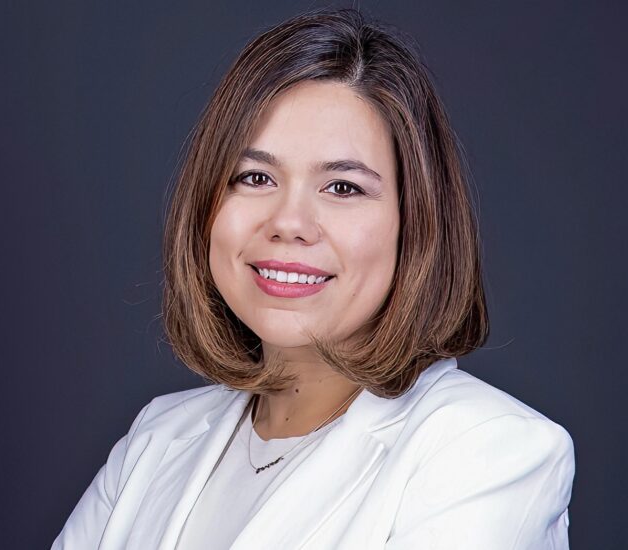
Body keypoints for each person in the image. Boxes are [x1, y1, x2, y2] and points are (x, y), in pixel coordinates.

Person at [51, 7, 575, 549]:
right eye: (255, 177)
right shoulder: (156, 439)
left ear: (415, 223)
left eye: (343, 188)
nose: (289, 223)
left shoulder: (492, 451)